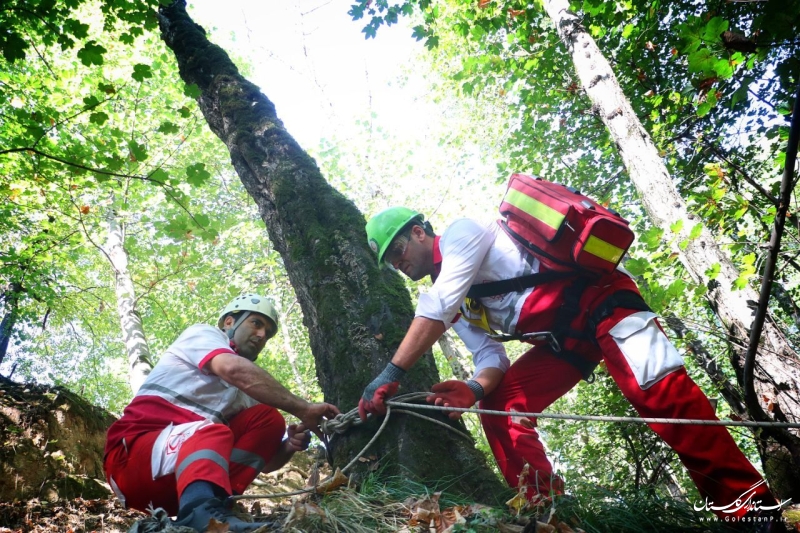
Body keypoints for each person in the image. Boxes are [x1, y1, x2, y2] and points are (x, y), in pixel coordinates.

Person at [359, 206, 784, 525]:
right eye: (392, 263)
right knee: (501, 406)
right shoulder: (457, 303)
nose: (400, 263)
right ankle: (548, 513)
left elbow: (438, 303)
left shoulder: (460, 235)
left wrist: (391, 374)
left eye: (399, 250)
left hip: (606, 304)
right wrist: (473, 389)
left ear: (419, 232)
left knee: (663, 399)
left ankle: (753, 511)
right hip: (565, 342)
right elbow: (490, 357)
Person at [104, 294, 339, 532]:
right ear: (229, 322)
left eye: (267, 333)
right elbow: (231, 368)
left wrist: (289, 446)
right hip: (132, 459)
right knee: (212, 430)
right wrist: (304, 408)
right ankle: (200, 512)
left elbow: (265, 464)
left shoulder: (247, 394)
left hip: (175, 485)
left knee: (268, 419)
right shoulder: (204, 335)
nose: (261, 335)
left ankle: (215, 507)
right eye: (256, 323)